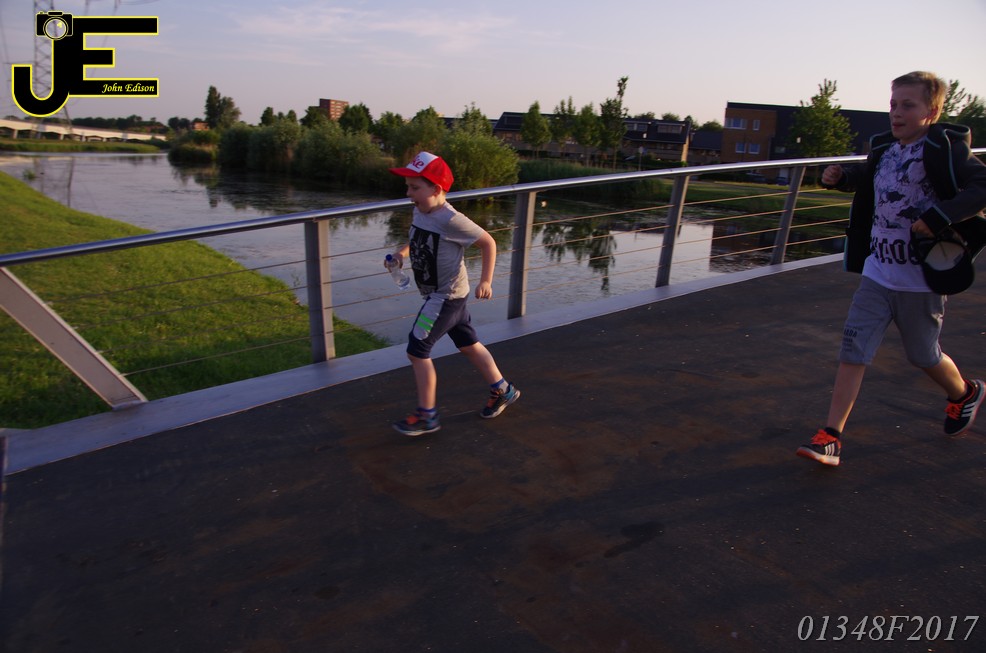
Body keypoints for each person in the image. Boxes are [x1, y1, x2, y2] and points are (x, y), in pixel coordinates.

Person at [797, 71, 986, 467]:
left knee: (923, 354)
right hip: (878, 272)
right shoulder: (885, 148)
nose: (896, 113)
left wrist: (939, 216)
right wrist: (842, 177)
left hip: (920, 278)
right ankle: (831, 436)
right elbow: (871, 178)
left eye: (908, 105)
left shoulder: (945, 149)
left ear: (932, 111)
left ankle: (964, 393)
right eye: (893, 105)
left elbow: (982, 184)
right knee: (853, 349)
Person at [386, 152, 520, 436]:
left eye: (414, 188)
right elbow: (416, 240)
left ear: (436, 189)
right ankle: (503, 389)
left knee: (417, 350)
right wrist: (400, 254)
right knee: (468, 344)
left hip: (444, 298)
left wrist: (486, 281)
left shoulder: (451, 219)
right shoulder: (420, 211)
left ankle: (427, 415)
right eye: (408, 187)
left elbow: (488, 243)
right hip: (444, 296)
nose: (408, 194)